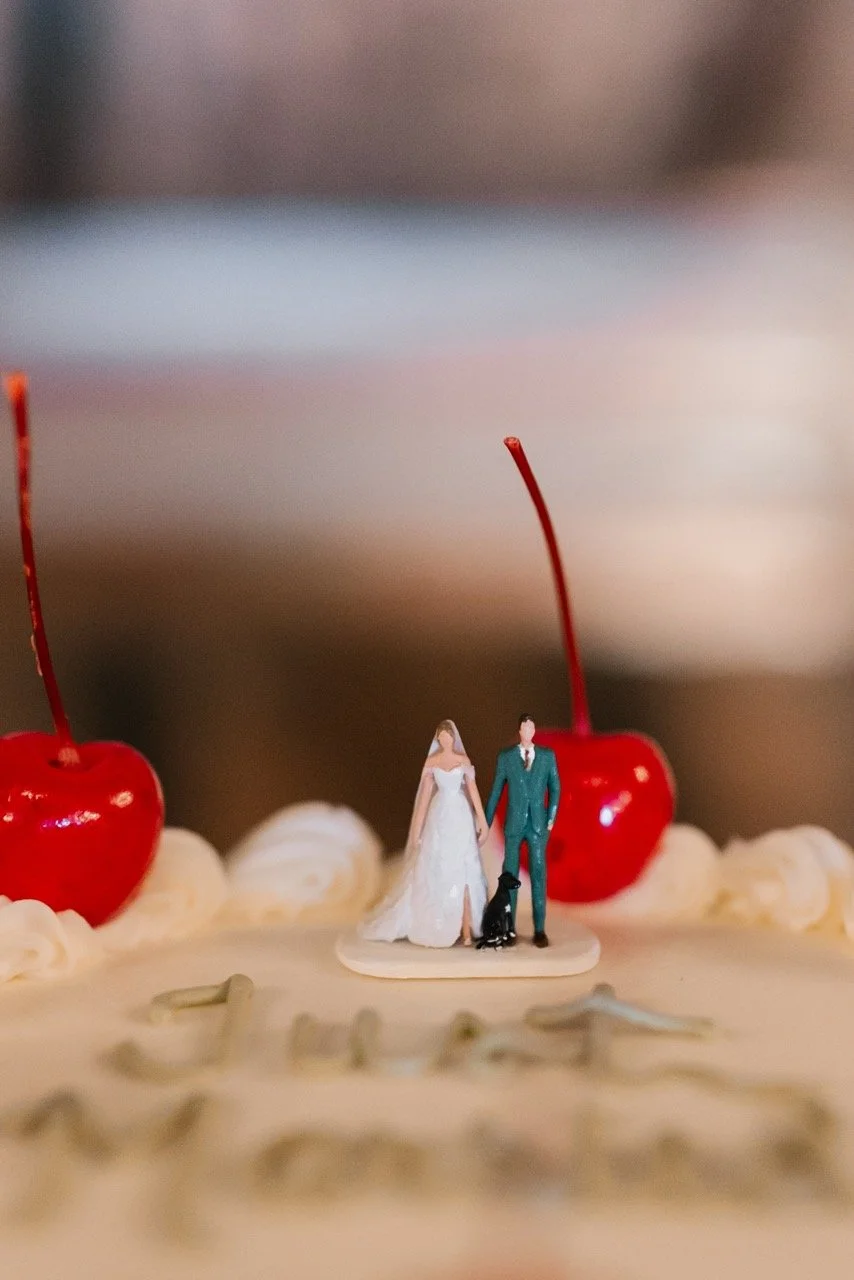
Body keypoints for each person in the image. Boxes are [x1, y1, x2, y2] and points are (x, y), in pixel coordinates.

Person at [358, 719, 489, 947]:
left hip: (459, 814)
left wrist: (482, 821)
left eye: (448, 737)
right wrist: (417, 829)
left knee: (464, 867)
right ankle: (439, 920)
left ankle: (467, 928)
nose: (445, 740)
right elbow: (424, 799)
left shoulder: (462, 761)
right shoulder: (432, 762)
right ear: (439, 740)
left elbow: (473, 792)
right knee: (436, 865)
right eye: (442, 737)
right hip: (439, 815)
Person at [484, 714, 560, 947]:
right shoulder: (506, 758)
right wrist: (485, 822)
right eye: (524, 727)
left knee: (539, 876)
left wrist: (550, 818)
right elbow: (496, 790)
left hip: (537, 825)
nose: (528, 731)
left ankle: (539, 929)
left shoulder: (547, 757)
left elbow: (555, 787)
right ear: (519, 731)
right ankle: (510, 928)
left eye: (531, 727)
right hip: (514, 824)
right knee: (509, 878)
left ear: (534, 730)